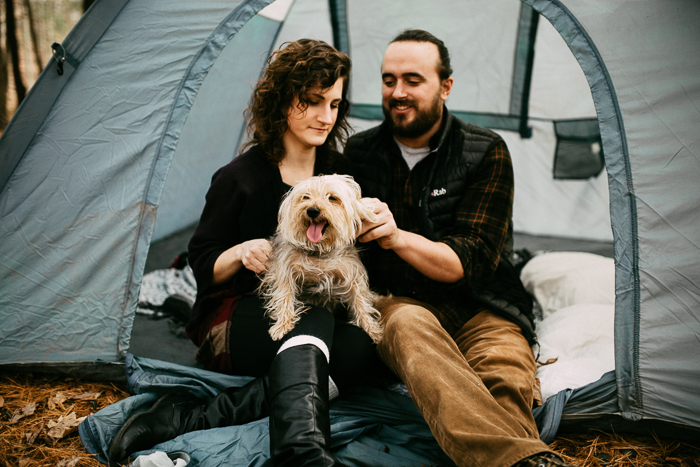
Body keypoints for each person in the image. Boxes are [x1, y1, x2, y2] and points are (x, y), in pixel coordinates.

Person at [109, 39, 379, 467]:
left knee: (361, 348)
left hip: (313, 317)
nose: (325, 116)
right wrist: (238, 252)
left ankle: (187, 416)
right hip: (234, 316)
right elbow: (202, 265)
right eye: (310, 102)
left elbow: (355, 249)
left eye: (333, 104)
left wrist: (372, 219)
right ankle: (301, 453)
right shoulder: (240, 177)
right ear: (281, 100)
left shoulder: (341, 175)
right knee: (315, 320)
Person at [345, 30, 575, 467]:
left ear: (445, 86)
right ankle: (524, 461)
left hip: (481, 302)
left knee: (504, 373)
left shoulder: (485, 150)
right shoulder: (359, 153)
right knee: (406, 326)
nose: (397, 93)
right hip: (400, 302)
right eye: (388, 80)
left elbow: (467, 260)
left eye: (413, 80)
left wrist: (395, 237)